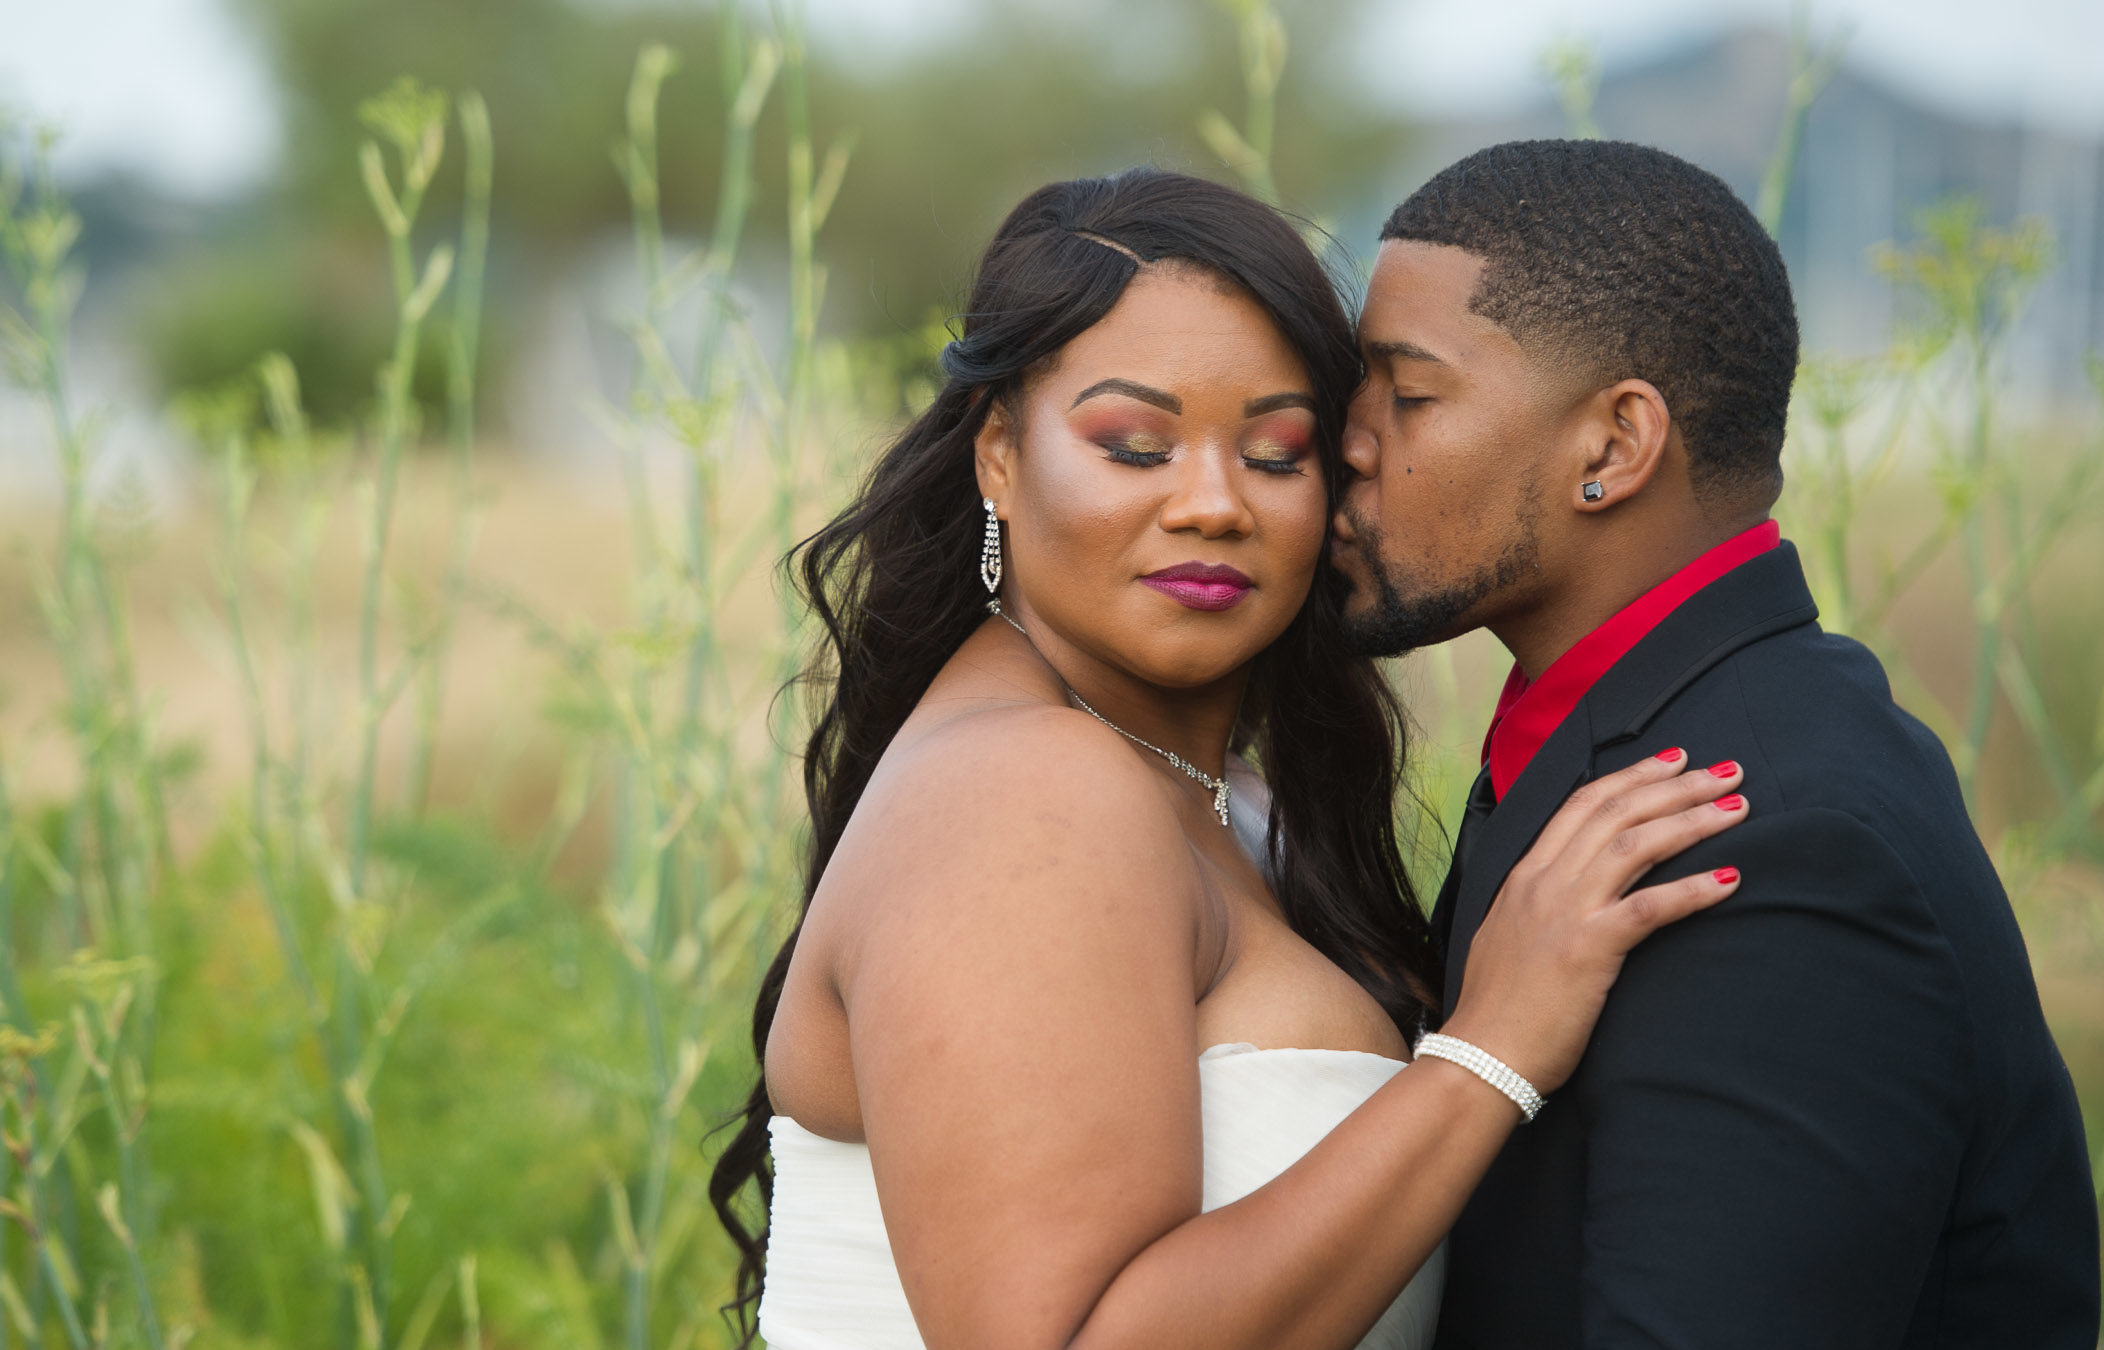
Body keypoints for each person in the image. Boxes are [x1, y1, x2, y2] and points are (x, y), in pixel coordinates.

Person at [708, 166, 1754, 1350]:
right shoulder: (1025, 793)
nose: (1214, 504)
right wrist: (1487, 1054)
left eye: (1276, 453)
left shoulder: (1222, 794)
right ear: (999, 455)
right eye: (1136, 445)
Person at [1332, 138, 2100, 1347]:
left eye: (1407, 393)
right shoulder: (1642, 732)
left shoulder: (1767, 841)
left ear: (1615, 446)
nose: (1350, 441)